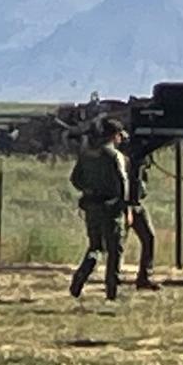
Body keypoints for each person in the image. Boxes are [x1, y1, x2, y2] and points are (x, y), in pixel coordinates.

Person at [69, 117, 130, 301]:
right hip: (111, 208)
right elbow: (122, 184)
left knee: (95, 247)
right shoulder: (114, 156)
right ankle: (112, 291)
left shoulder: (87, 154)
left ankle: (79, 278)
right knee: (114, 249)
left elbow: (75, 179)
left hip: (91, 206)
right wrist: (125, 208)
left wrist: (88, 191)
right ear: (115, 135)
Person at [126, 147, 160, 290]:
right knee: (113, 244)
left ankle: (144, 277)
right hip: (125, 204)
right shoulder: (124, 158)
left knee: (149, 237)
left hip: (136, 204)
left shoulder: (139, 162)